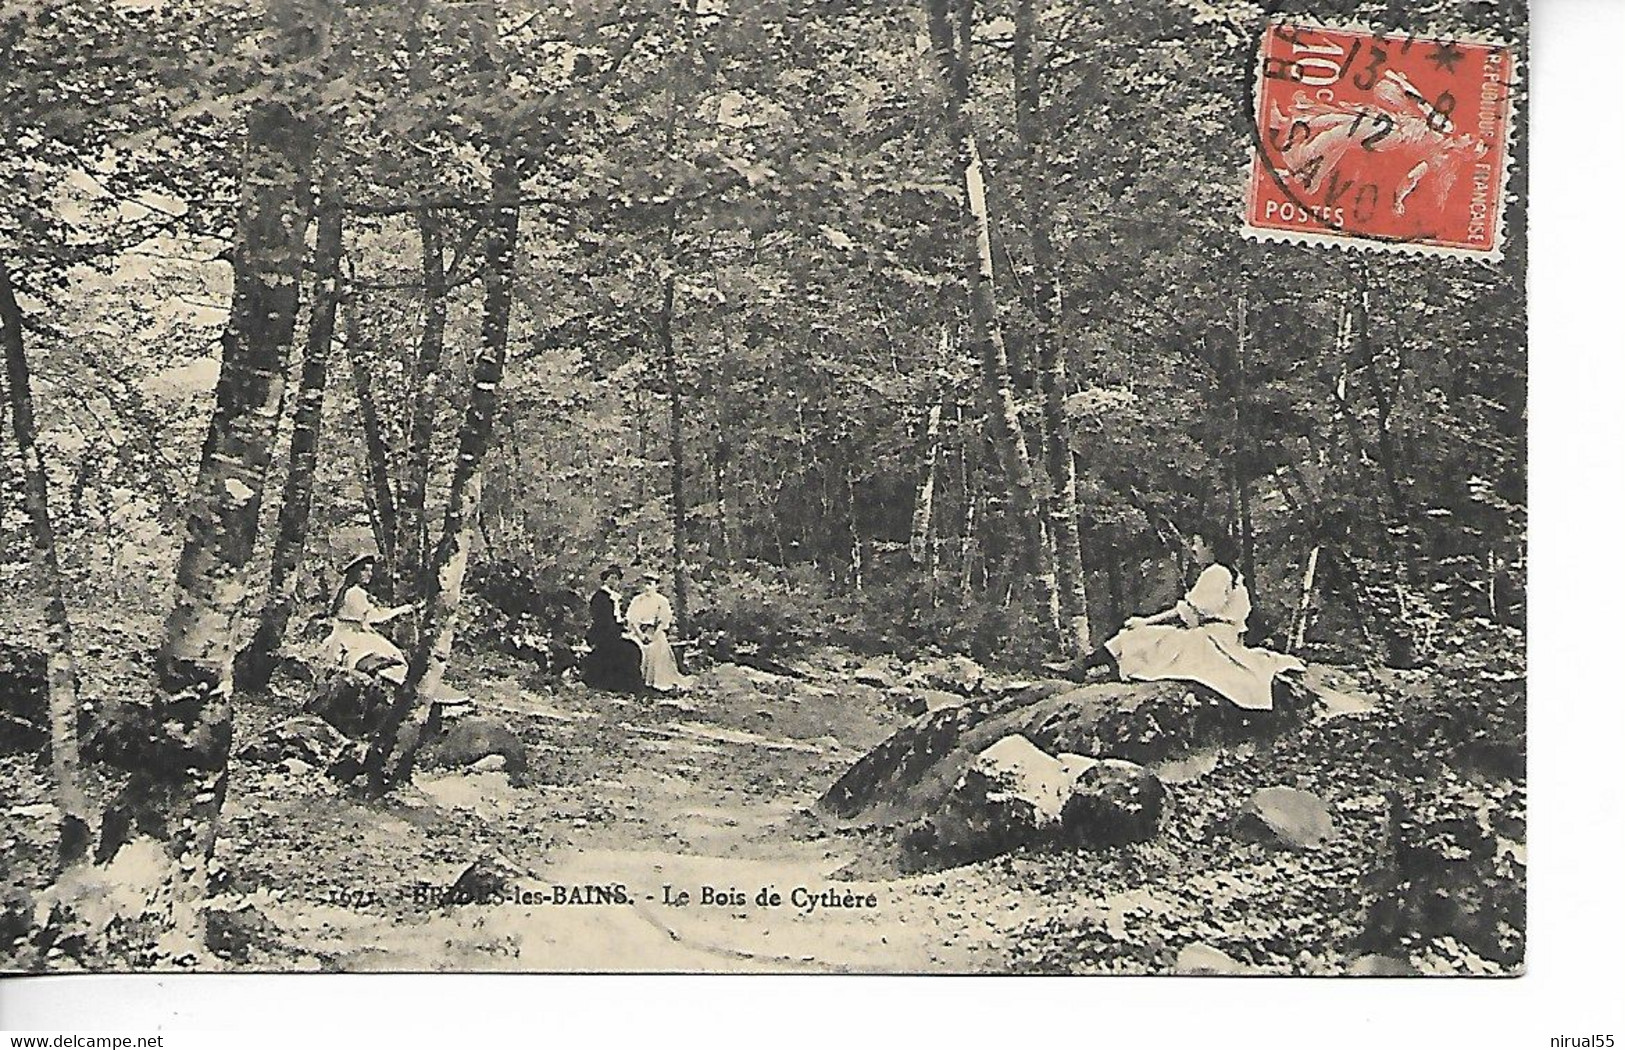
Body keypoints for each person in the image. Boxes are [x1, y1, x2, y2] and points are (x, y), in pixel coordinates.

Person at [1082, 529, 1304, 710]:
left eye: (1197, 544)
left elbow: (1189, 612)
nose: (1194, 549)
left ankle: (1086, 665)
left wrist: (1146, 621)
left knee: (1145, 635)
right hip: (1220, 638)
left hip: (1212, 642)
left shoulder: (1217, 573)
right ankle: (1089, 665)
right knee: (1154, 638)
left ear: (1212, 548)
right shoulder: (1230, 574)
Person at [318, 554, 416, 685]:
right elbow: (374, 616)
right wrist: (400, 610)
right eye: (365, 570)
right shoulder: (354, 593)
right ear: (356, 573)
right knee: (396, 658)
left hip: (352, 633)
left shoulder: (355, 592)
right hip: (352, 636)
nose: (369, 574)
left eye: (370, 570)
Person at [624, 571, 694, 693]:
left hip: (655, 632)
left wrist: (654, 636)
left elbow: (663, 622)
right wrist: (640, 635)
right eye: (645, 584)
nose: (647, 587)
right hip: (639, 632)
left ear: (656, 586)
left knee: (657, 649)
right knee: (634, 647)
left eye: (650, 584)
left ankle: (655, 682)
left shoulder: (662, 601)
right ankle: (637, 681)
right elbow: (632, 620)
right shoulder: (637, 600)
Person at [582, 564, 644, 692]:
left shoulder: (614, 597)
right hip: (602, 634)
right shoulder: (600, 597)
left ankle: (625, 685)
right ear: (605, 579)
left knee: (632, 649)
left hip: (612, 633)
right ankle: (619, 685)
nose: (615, 581)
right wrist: (618, 630)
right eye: (612, 578)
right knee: (629, 650)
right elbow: (603, 620)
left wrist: (622, 627)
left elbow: (616, 619)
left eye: (617, 579)